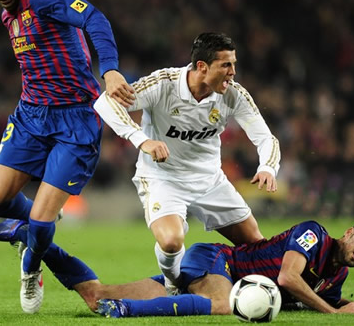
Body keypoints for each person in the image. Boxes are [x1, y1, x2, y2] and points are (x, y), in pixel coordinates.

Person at [0, 0, 135, 314]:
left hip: (75, 119)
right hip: (31, 114)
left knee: (43, 222)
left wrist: (108, 69)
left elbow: (95, 18)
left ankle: (31, 268)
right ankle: (30, 229)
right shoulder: (8, 17)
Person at [93, 32, 281, 294]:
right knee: (171, 241)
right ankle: (174, 283)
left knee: (257, 247)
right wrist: (141, 140)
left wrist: (267, 168)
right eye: (226, 65)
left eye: (234, 64)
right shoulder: (164, 84)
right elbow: (105, 102)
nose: (233, 72)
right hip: (163, 179)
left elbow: (265, 138)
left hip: (209, 180)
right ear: (202, 66)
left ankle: (272, 293)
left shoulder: (233, 94)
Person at [0, 218, 354, 317]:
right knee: (222, 305)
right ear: (350, 232)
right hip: (216, 259)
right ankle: (130, 315)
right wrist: (334, 314)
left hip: (208, 274)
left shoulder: (338, 276)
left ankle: (27, 234)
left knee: (95, 295)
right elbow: (289, 279)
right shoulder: (314, 235)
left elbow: (322, 297)